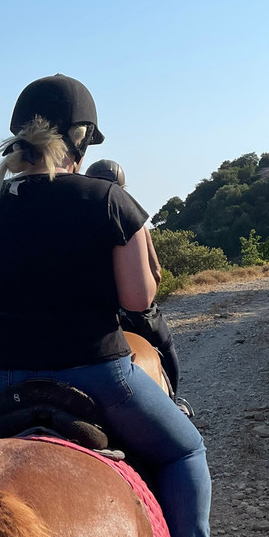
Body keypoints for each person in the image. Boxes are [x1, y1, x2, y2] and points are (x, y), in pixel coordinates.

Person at [0, 75, 219, 537]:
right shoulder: (109, 200)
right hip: (97, 368)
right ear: (79, 140)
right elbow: (137, 298)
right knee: (185, 454)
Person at [85, 159, 184, 404]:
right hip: (132, 312)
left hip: (89, 311)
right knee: (166, 348)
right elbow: (155, 271)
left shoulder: (77, 216)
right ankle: (175, 403)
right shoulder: (130, 214)